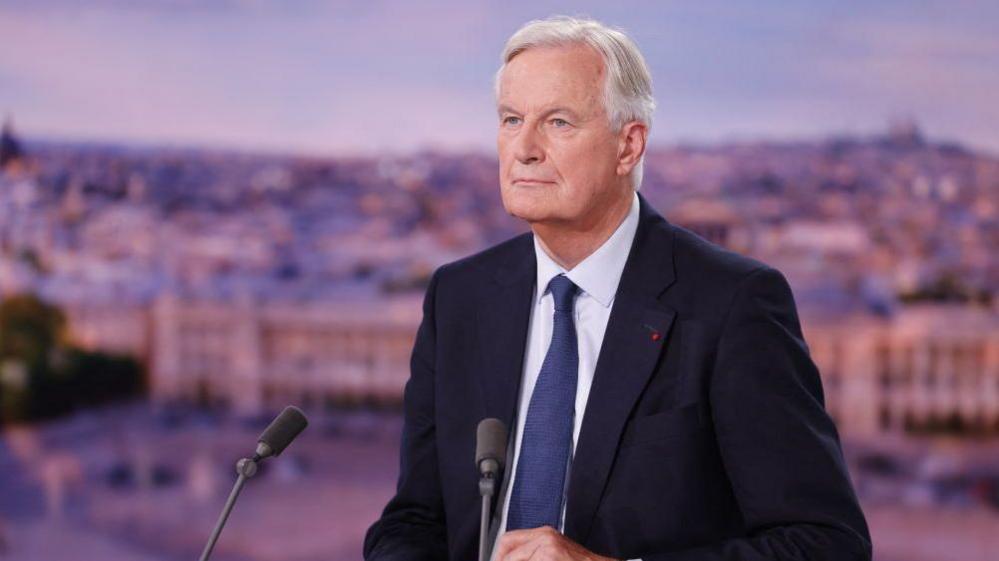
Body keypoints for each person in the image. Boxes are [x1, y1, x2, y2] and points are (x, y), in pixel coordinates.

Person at [364, 15, 871, 561]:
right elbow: (413, 521)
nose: (524, 148)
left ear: (628, 146)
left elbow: (826, 544)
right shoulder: (459, 296)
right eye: (512, 119)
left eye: (557, 122)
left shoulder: (733, 304)